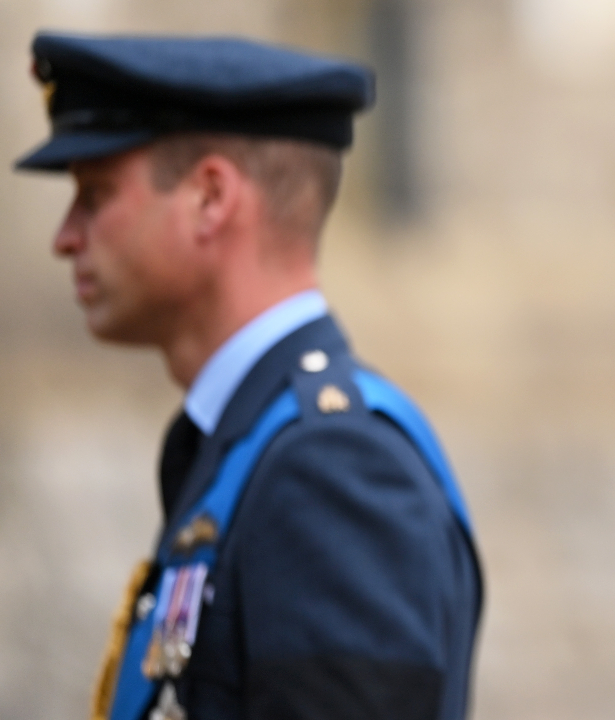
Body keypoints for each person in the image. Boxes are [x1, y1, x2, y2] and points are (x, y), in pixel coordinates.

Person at [15, 33, 481, 720]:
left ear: (210, 198)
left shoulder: (330, 469)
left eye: (95, 194)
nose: (65, 236)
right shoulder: (251, 442)